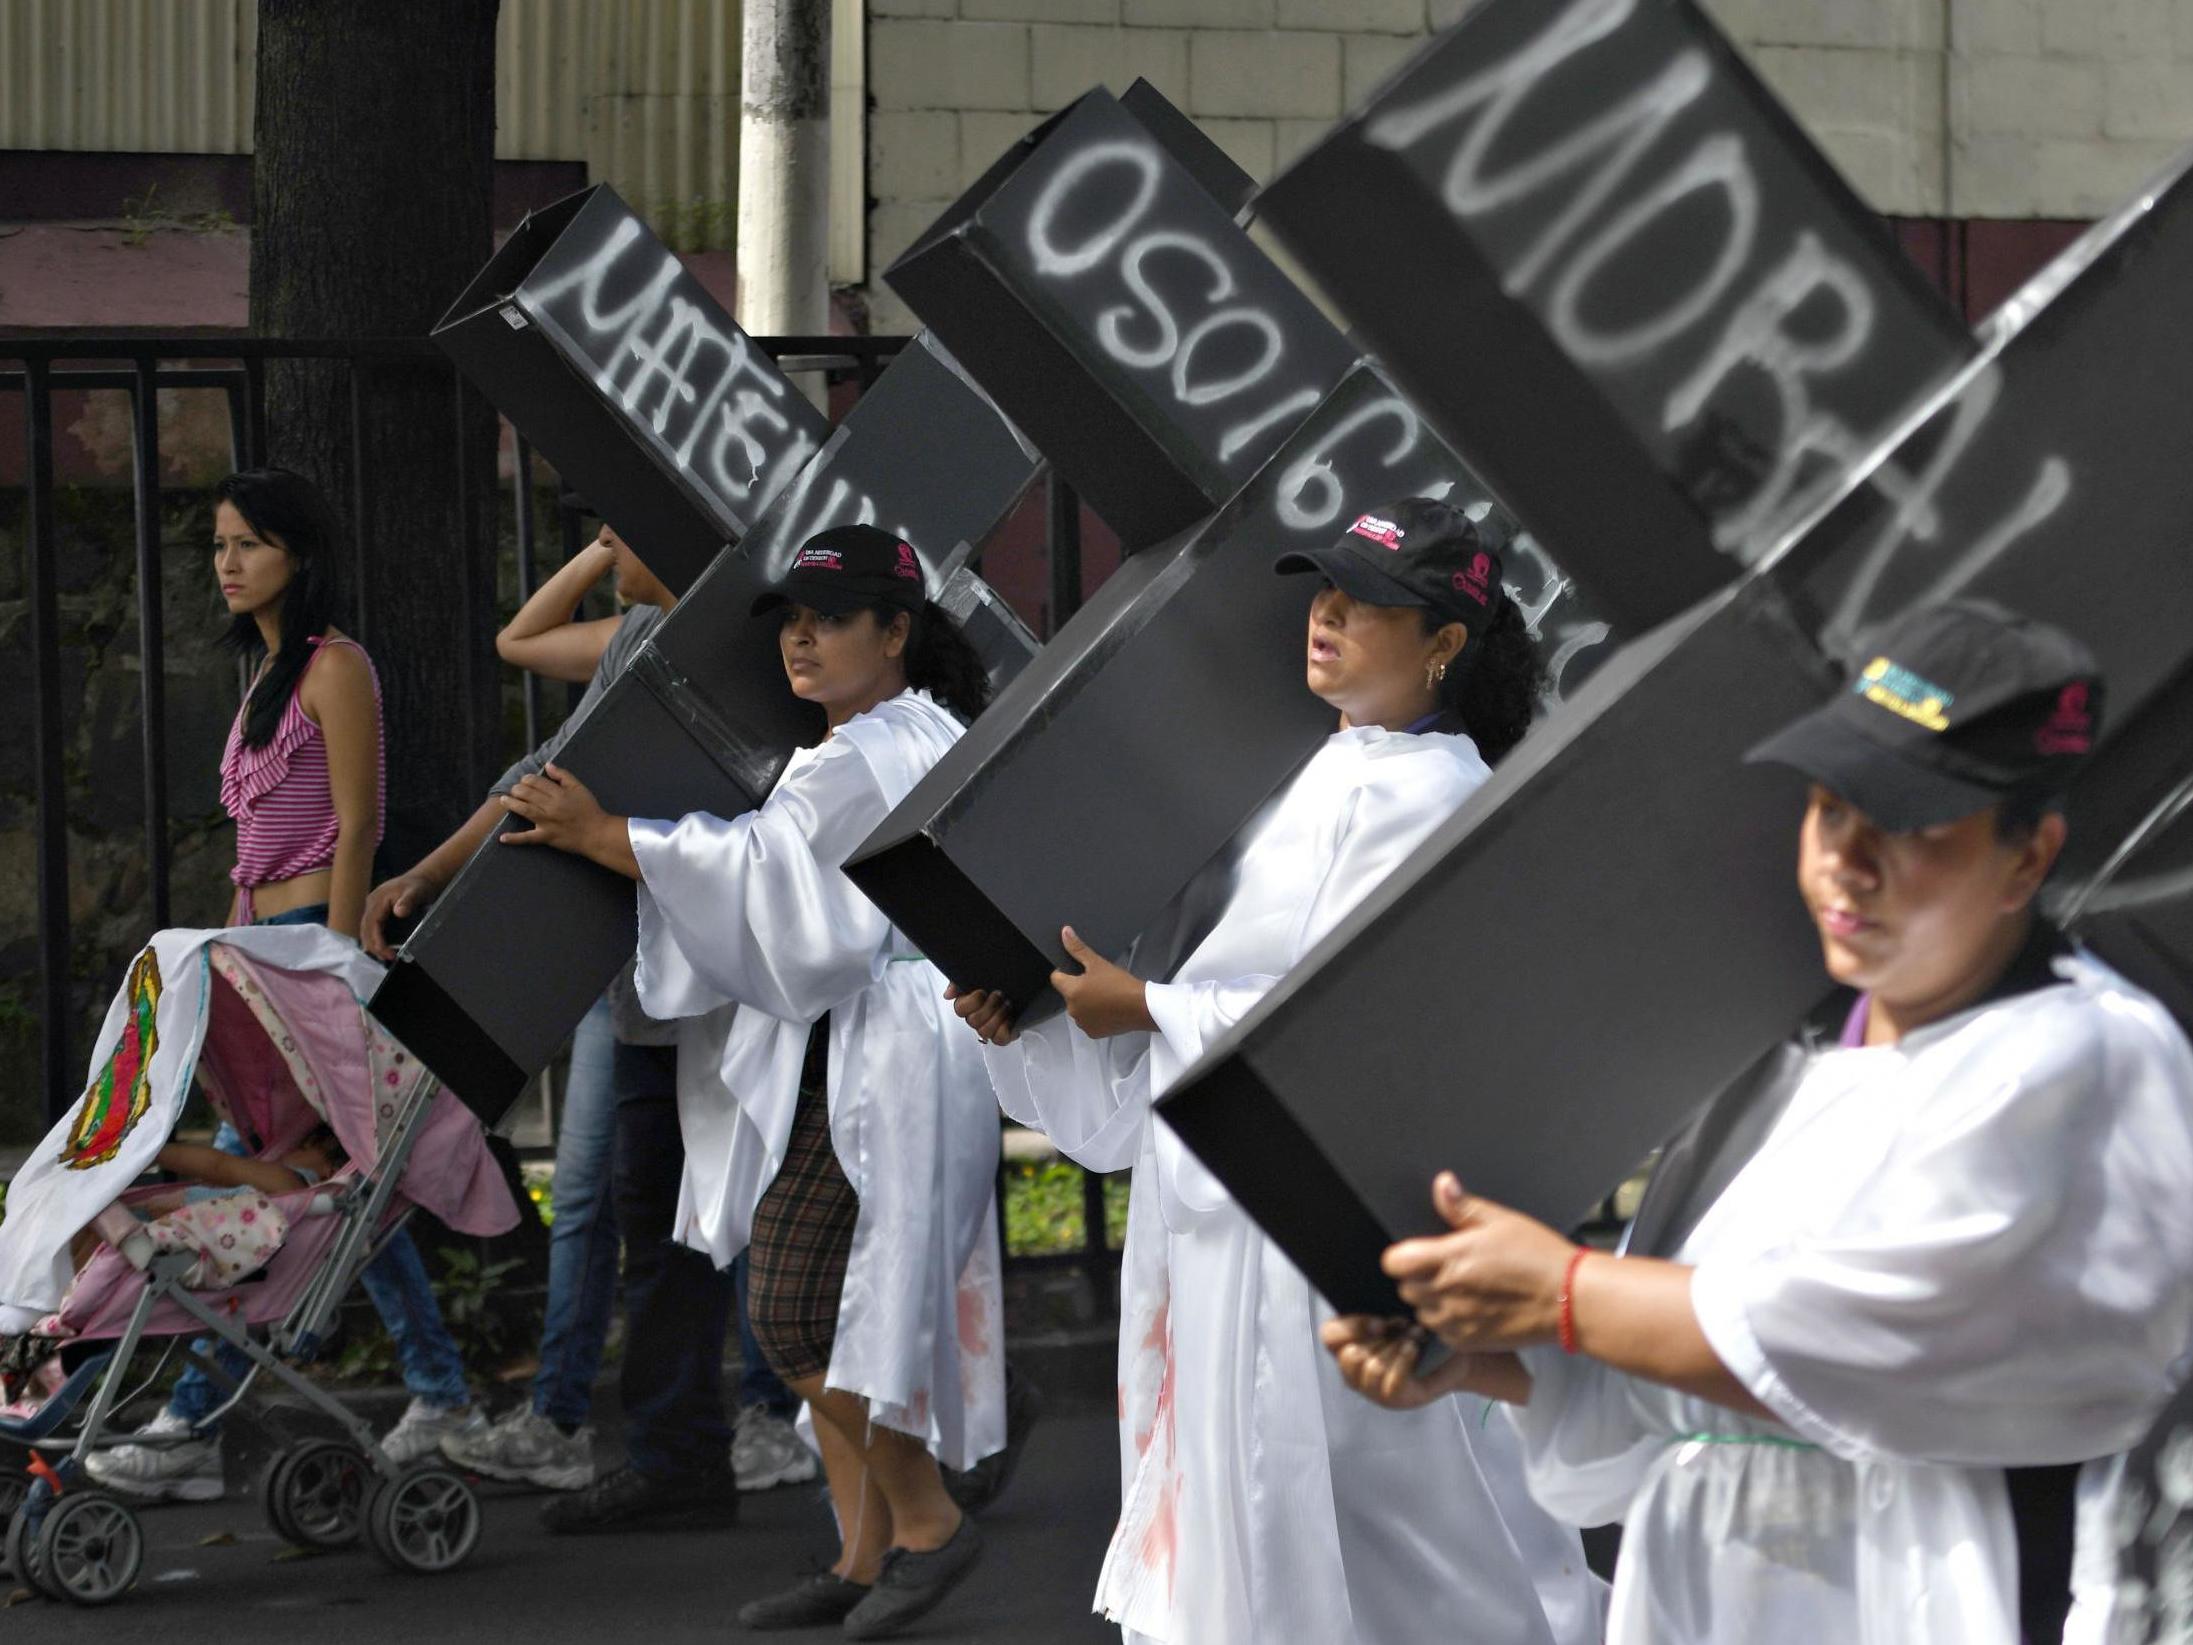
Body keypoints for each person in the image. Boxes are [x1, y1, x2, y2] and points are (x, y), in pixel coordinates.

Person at [1324, 600, 2193, 1645]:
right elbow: (1683, 1367)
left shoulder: (2082, 1055)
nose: (1849, 861)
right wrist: (1486, 1352)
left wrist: (1560, 1293)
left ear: (2028, 855)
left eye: (1911, 825)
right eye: (1832, 808)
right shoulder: (1792, 1061)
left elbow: (1862, 1342)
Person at [948, 498, 1602, 1645]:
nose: (1329, 612)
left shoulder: (1440, 796)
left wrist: (1145, 1005)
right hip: (1228, 1203)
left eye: (1370, 601)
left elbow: (1361, 1028)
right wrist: (1045, 1014)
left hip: (1327, 1216)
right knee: (1257, 1503)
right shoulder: (1301, 773)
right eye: (1325, 587)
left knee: (1396, 1518)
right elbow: (1192, 974)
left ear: (1445, 642)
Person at [499, 524, 1007, 1639]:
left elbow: (774, 888)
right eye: (795, 619)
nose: (802, 640)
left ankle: (925, 1524)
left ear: (896, 631)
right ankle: (862, 1556)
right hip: (894, 1042)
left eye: (831, 619)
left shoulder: (858, 755)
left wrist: (601, 834)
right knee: (836, 1303)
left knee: (790, 1312)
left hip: (872, 1047)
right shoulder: (920, 726)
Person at [364, 503, 807, 1516]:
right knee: (658, 1220)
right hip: (656, 983)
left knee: (760, 1217)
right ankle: (678, 1454)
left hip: (733, 989)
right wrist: (433, 875)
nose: (608, 541)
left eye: (623, 523)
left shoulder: (741, 653)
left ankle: (906, 1425)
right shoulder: (644, 640)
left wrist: (592, 835)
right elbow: (543, 776)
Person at [92, 468, 484, 1501]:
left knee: (296, 1178)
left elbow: (359, 817)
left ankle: (191, 1421)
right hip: (256, 949)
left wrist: (340, 956)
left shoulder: (334, 665)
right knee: (327, 1185)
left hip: (312, 944)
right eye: (220, 545)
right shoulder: (262, 675)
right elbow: (250, 844)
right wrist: (231, 947)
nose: (228, 563)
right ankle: (435, 1389)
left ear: (298, 558)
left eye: (249, 545)